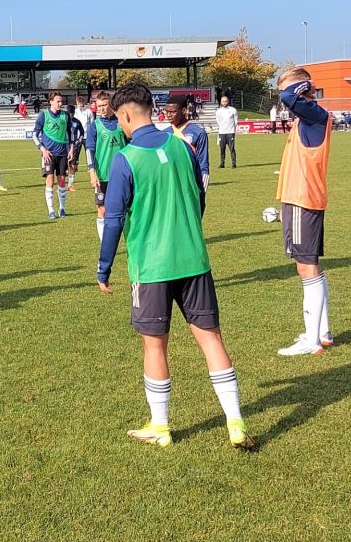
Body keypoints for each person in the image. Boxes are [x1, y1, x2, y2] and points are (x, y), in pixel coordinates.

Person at [95, 84, 255, 450]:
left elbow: (114, 219)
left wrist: (103, 267)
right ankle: (235, 422)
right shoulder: (184, 146)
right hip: (194, 259)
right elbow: (199, 199)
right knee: (211, 338)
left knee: (155, 347)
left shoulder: (126, 158)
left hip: (152, 267)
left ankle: (161, 426)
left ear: (124, 115)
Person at [274, 68, 335, 356]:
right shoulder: (308, 118)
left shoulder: (314, 115)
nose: (282, 96)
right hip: (301, 198)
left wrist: (298, 86)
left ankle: (312, 340)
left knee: (305, 266)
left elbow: (288, 96)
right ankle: (321, 332)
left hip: (303, 199)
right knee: (309, 265)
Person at [85, 91, 127, 241]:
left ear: (111, 104)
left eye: (104, 105)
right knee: (102, 210)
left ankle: (130, 241)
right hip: (102, 175)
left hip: (122, 175)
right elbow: (89, 149)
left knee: (126, 209)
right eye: (99, 106)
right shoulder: (94, 126)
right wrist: (92, 172)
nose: (101, 108)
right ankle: (105, 244)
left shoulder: (122, 122)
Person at [32, 90, 72, 220]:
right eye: (58, 101)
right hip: (48, 154)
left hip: (63, 154)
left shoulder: (65, 116)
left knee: (61, 181)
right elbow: (34, 135)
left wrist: (71, 149)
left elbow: (70, 134)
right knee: (50, 180)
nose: (60, 103)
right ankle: (51, 210)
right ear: (51, 102)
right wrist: (42, 149)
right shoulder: (43, 116)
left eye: (61, 101)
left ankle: (62, 208)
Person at [165, 96, 210, 193]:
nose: (168, 115)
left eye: (172, 112)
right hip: (169, 187)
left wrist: (201, 194)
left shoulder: (198, 133)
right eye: (166, 112)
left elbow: (203, 165)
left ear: (184, 110)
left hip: (190, 187)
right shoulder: (164, 134)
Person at [214, 95, 238, 168]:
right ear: (221, 102)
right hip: (222, 133)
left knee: (232, 148)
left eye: (226, 101)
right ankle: (222, 164)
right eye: (223, 101)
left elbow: (236, 121)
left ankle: (233, 164)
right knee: (222, 149)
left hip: (230, 132)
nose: (224, 103)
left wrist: (233, 130)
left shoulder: (233, 110)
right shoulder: (218, 111)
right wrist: (222, 128)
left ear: (228, 101)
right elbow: (218, 121)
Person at [66, 104, 86, 192]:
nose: (71, 115)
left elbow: (82, 132)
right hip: (63, 146)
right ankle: (61, 185)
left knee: (72, 165)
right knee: (62, 166)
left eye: (72, 113)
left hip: (73, 147)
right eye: (70, 113)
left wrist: (79, 140)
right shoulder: (63, 121)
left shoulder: (77, 122)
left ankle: (70, 185)